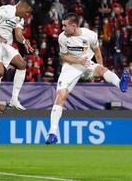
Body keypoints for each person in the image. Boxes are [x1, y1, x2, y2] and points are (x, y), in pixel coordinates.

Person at [46, 13, 131, 144]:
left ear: (74, 26)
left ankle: (121, 84)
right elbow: (64, 56)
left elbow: (97, 52)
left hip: (87, 65)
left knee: (103, 70)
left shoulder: (90, 35)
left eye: (65, 25)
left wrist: (99, 67)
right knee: (60, 96)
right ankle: (52, 132)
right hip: (71, 67)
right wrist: (78, 60)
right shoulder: (62, 37)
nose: (62, 28)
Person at [0, 0, 33, 111]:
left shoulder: (20, 19)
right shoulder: (5, 10)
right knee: (0, 71)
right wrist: (0, 37)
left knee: (22, 64)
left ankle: (14, 99)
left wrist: (24, 41)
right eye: (27, 11)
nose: (27, 14)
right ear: (21, 7)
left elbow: (18, 35)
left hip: (4, 44)